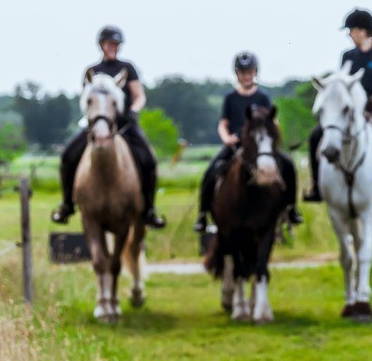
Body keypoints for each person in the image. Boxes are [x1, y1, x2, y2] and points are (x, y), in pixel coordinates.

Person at [51, 25, 167, 229]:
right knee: (68, 155)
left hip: (124, 124)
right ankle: (67, 204)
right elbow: (87, 100)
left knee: (148, 159)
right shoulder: (91, 71)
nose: (112, 47)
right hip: (96, 123)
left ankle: (149, 209)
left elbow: (139, 96)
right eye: (109, 43)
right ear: (101, 45)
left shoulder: (128, 68)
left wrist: (133, 111)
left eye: (115, 44)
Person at [194, 52, 304, 233]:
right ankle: (203, 214)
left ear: (255, 72)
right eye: (242, 72)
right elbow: (223, 123)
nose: (246, 76)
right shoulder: (230, 97)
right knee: (211, 170)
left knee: (288, 166)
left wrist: (273, 138)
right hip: (237, 144)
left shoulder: (263, 97)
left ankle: (292, 209)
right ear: (237, 74)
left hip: (260, 146)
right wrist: (227, 138)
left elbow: (272, 122)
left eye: (249, 72)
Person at [304, 8, 372, 203]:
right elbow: (341, 82)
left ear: (362, 31)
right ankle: (316, 185)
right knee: (316, 135)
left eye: (350, 30)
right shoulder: (348, 55)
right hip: (350, 107)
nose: (349, 35)